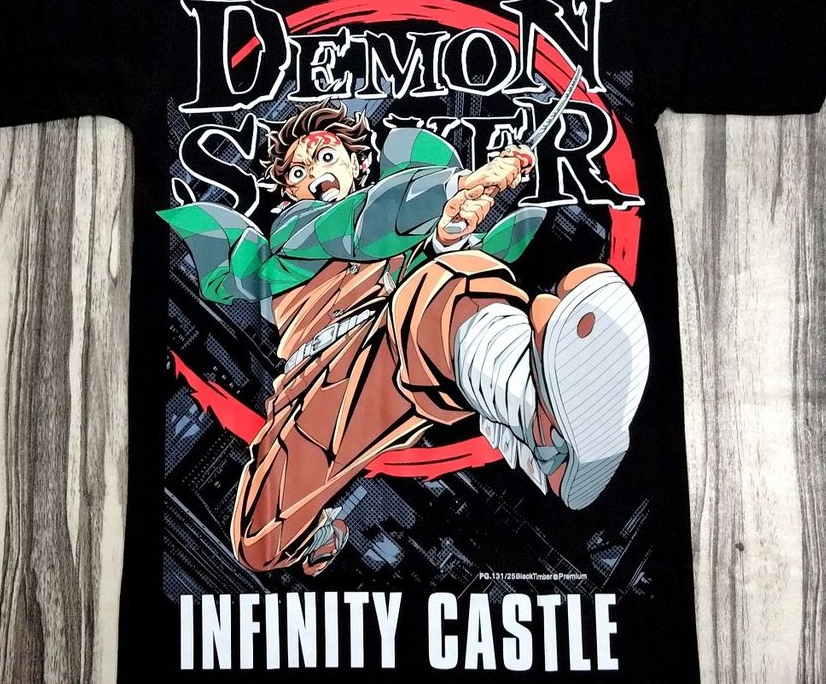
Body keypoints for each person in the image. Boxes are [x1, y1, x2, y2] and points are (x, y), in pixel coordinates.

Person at [159, 99, 649, 576]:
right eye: (298, 172)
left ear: (358, 162)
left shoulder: (394, 233)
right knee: (258, 542)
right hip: (313, 390)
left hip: (398, 349)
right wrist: (455, 185)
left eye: (326, 155)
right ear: (288, 191)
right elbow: (355, 227)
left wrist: (447, 233)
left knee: (445, 282)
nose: (314, 175)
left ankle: (540, 418)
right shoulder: (293, 230)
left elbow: (406, 252)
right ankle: (542, 427)